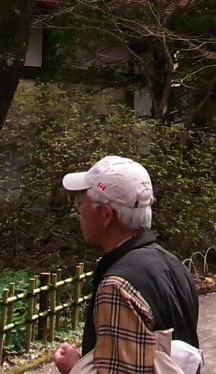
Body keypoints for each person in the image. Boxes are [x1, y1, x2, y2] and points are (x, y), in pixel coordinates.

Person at [54, 156, 200, 374]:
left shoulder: (116, 287)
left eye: (80, 202)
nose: (79, 211)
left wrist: (75, 368)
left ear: (105, 214)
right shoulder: (172, 264)